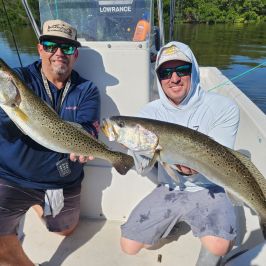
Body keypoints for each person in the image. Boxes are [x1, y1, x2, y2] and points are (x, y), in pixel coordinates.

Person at [120, 42, 240, 266]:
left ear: (193, 69)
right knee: (129, 245)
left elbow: (224, 160)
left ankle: (216, 245)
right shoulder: (148, 114)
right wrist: (138, 150)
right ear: (158, 77)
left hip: (210, 187)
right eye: (165, 72)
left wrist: (194, 167)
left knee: (219, 244)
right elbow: (142, 167)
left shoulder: (224, 107)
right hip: (170, 187)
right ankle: (171, 225)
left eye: (181, 70)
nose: (173, 78)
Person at [0, 19, 100, 266]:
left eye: (66, 48)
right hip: (12, 177)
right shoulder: (21, 79)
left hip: (59, 179)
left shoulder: (86, 89)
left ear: (75, 54)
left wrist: (88, 142)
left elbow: (87, 127)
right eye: (51, 45)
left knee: (64, 231)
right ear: (40, 48)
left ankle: (37, 205)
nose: (58, 53)